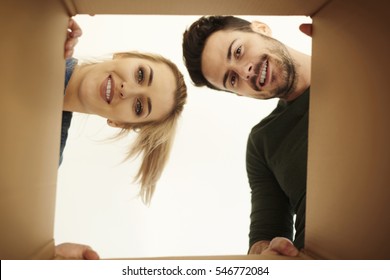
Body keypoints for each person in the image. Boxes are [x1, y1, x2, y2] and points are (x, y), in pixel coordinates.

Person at [55, 18, 187, 259]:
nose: (128, 90)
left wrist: (46, 258)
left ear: (120, 123)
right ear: (123, 55)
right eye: (140, 74)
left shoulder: (45, 160)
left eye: (139, 107)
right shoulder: (48, 36)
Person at [182, 16, 312, 257]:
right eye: (232, 80)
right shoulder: (262, 142)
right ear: (238, 94)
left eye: (238, 51)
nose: (245, 71)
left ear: (261, 29)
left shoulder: (368, 60)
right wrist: (264, 250)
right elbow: (265, 234)